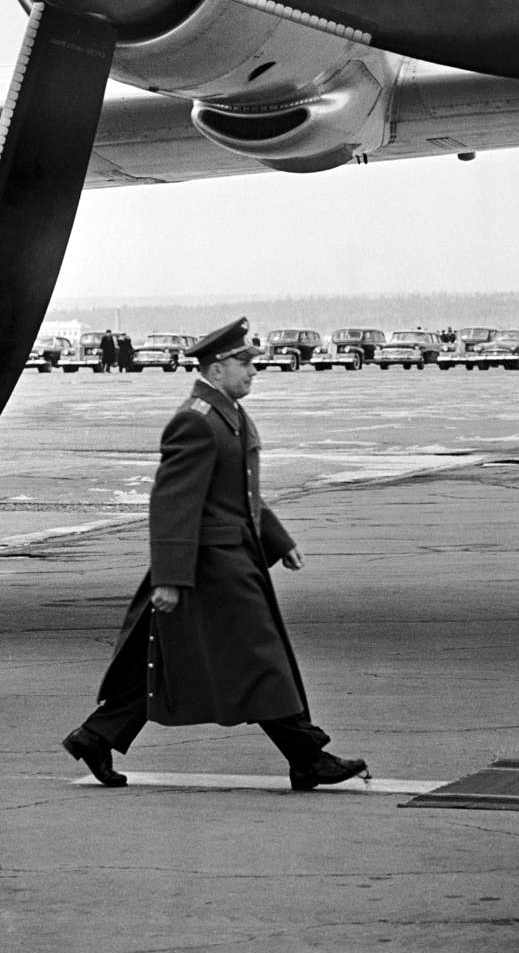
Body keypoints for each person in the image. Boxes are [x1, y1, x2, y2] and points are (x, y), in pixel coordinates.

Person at [63, 317, 368, 791]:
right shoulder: (197, 421)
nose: (253, 371)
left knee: (172, 657)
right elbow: (172, 503)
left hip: (232, 559)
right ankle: (307, 757)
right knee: (260, 658)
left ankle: (96, 736)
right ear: (218, 367)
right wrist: (169, 578)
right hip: (211, 566)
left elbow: (240, 494)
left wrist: (280, 541)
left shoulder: (229, 414)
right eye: (245, 363)